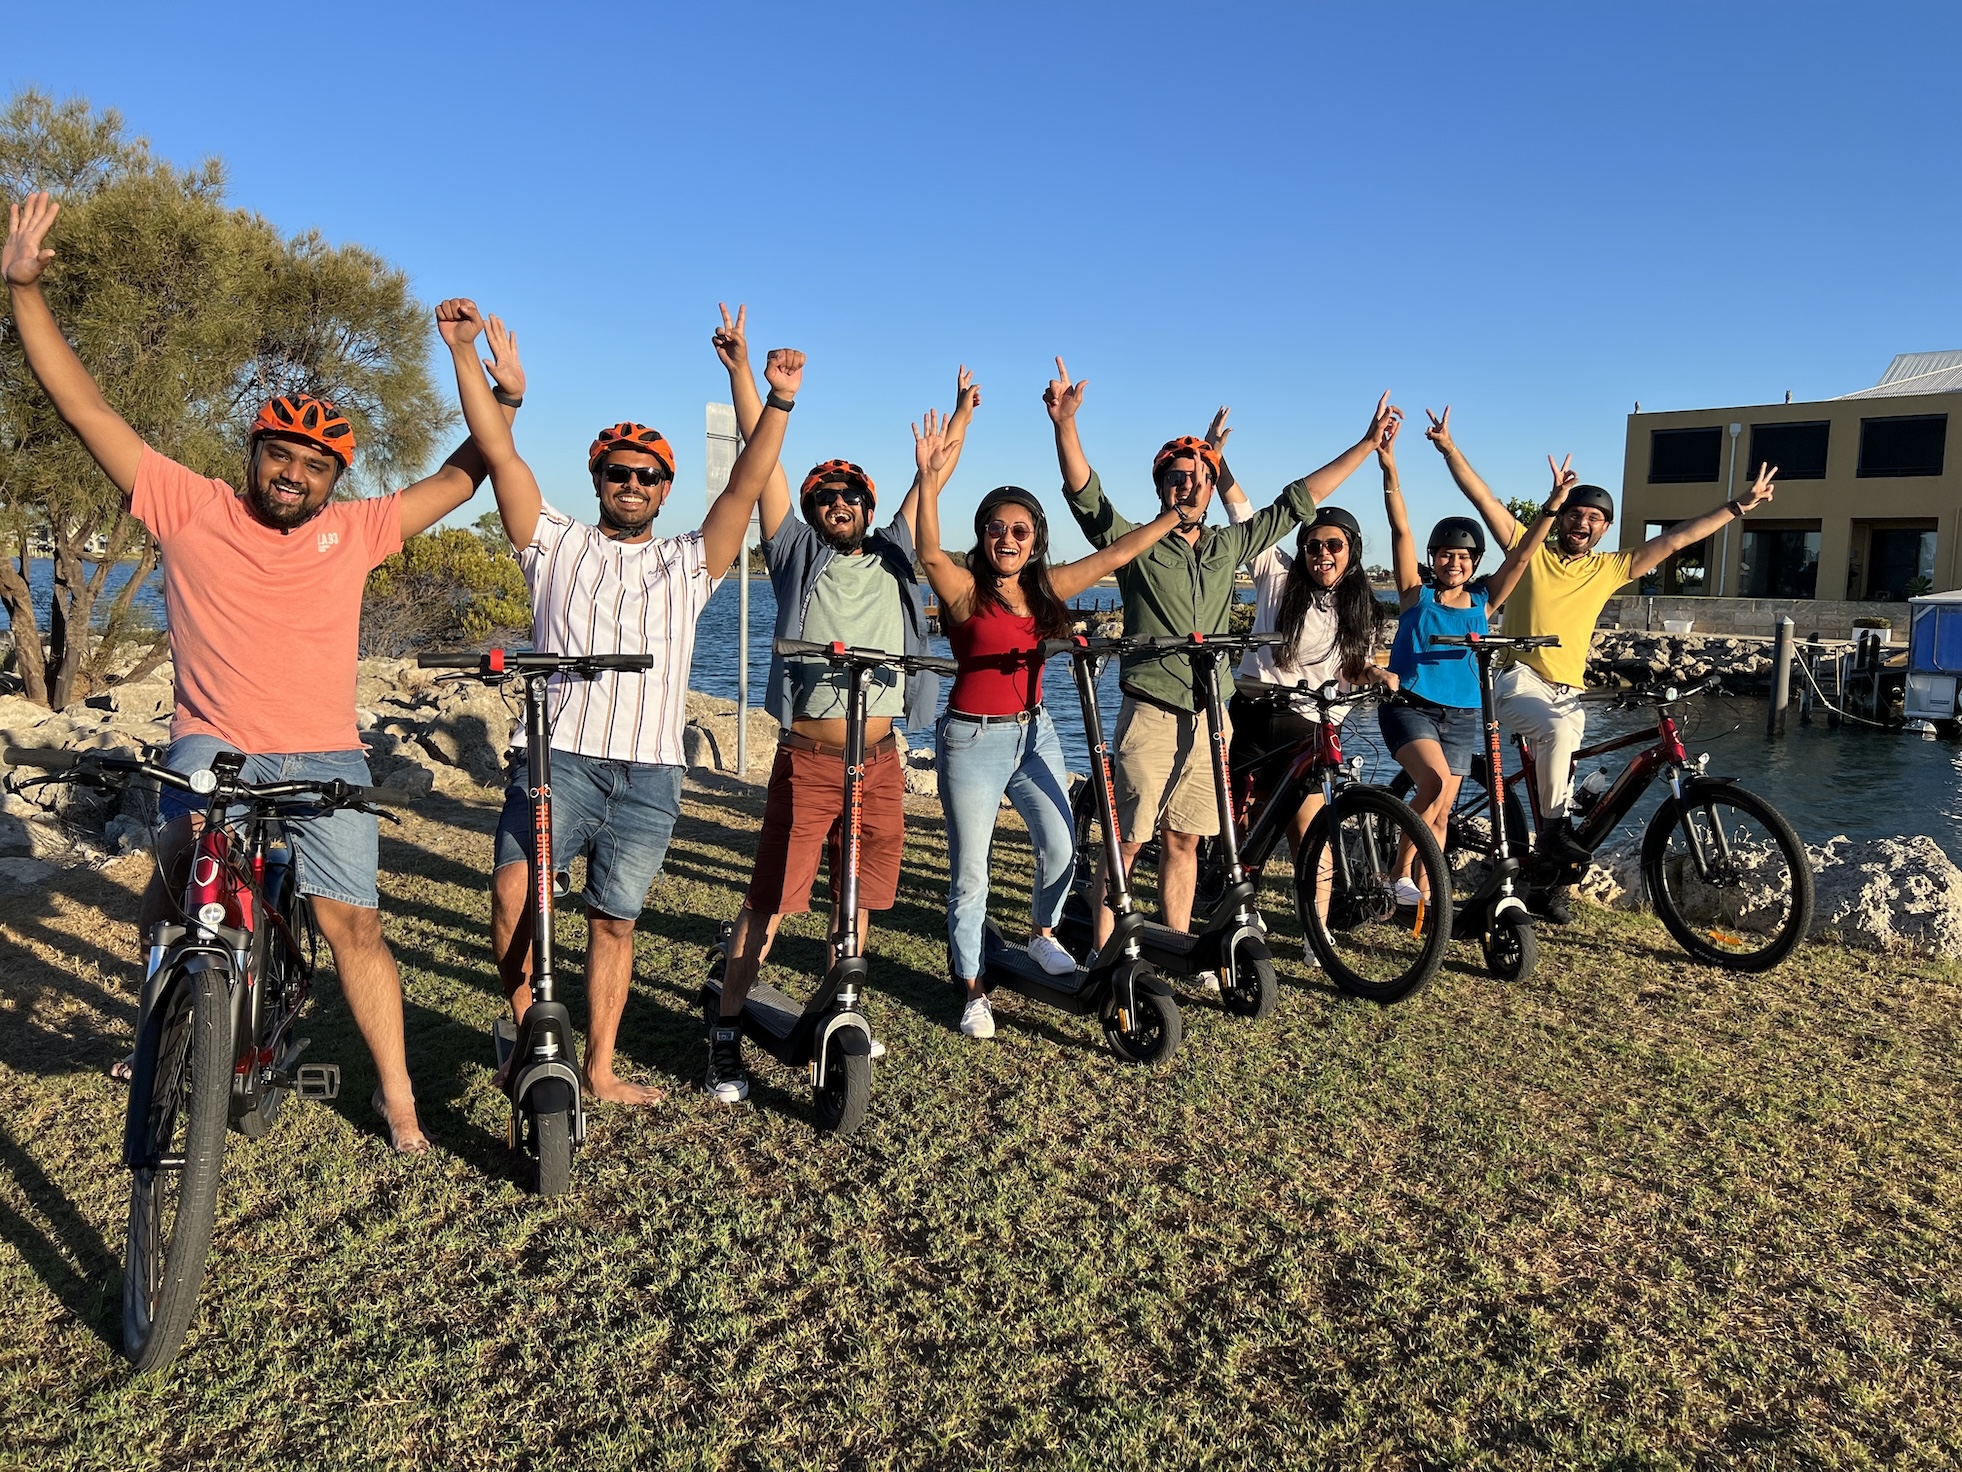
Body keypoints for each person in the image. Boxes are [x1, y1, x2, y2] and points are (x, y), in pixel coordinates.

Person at [3, 192, 525, 1153]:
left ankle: (398, 1101)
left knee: (351, 927)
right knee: (175, 879)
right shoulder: (187, 504)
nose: (293, 472)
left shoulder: (357, 528)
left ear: (334, 477)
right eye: (278, 454)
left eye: (314, 463)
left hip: (325, 749)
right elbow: (82, 405)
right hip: (211, 739)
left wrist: (498, 391)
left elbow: (467, 474)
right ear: (254, 456)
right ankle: (163, 1023)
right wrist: (25, 289)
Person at [458, 302, 790, 1108]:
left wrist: (769, 394)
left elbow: (749, 482)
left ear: (667, 489)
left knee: (614, 922)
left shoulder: (690, 564)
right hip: (560, 760)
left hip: (650, 775)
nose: (633, 484)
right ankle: (530, 1030)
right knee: (511, 892)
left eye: (648, 476)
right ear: (598, 479)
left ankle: (600, 1069)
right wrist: (475, 363)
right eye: (619, 472)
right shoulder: (553, 542)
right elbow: (497, 452)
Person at [1050, 358, 1397, 964]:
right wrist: (1066, 426)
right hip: (1152, 710)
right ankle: (1107, 961)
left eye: (1199, 478)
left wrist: (1367, 444)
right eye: (1177, 477)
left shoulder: (1226, 545)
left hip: (1212, 716)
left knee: (1185, 839)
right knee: (1127, 842)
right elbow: (1086, 495)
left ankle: (1178, 947)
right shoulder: (1135, 545)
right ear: (1162, 485)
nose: (1189, 486)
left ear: (1211, 487)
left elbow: (1301, 500)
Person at [707, 362, 978, 1103]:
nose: (837, 504)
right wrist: (750, 377)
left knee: (852, 902)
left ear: (868, 504)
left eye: (849, 495)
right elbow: (762, 467)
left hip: (883, 759)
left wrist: (960, 415)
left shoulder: (897, 550)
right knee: (769, 902)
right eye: (824, 497)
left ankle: (842, 1009)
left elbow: (933, 476)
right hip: (811, 759)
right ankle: (726, 1035)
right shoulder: (795, 553)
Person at [1427, 405, 1777, 921]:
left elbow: (1678, 537)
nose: (1582, 524)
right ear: (1562, 516)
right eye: (1575, 514)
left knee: (1573, 776)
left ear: (1605, 528)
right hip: (1515, 679)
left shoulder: (1612, 568)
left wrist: (1739, 506)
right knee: (1558, 742)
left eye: (1594, 519)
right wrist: (1449, 447)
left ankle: (1545, 884)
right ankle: (1550, 835)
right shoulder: (1532, 551)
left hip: (1568, 689)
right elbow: (1484, 500)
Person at [910, 399, 1181, 1040]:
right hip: (972, 740)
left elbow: (1115, 557)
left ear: (1035, 539)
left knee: (1061, 844)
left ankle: (1041, 934)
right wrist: (927, 479)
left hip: (1037, 731)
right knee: (970, 874)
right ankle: (974, 989)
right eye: (996, 529)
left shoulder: (1046, 589)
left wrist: (1173, 515)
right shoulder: (962, 589)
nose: (1007, 539)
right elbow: (926, 551)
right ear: (983, 536)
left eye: (1021, 531)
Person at [1211, 407, 1395, 863]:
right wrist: (1217, 463)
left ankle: (1319, 933)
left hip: (1310, 724)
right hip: (1254, 711)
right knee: (1235, 827)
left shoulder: (1361, 608)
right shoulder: (1277, 576)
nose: (1323, 554)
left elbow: (1352, 665)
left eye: (1334, 545)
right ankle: (1234, 909)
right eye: (1313, 546)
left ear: (1351, 552)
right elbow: (1244, 514)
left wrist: (1376, 673)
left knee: (1311, 833)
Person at [1378, 426, 1555, 901]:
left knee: (1440, 814)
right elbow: (1401, 529)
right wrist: (1389, 467)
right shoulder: (1416, 595)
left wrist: (1552, 505)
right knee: (1433, 785)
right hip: (1409, 704)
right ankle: (1396, 873)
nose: (1454, 562)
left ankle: (1425, 894)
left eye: (1464, 556)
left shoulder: (1483, 599)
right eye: (1445, 554)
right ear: (1434, 558)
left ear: (1475, 562)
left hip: (1461, 713)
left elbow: (1522, 556)